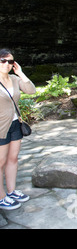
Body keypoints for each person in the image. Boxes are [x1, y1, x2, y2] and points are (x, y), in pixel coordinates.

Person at [0, 49, 36, 210]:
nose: (7, 64)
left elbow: (31, 90)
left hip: (15, 124)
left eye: (10, 61)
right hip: (1, 127)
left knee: (13, 159)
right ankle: (1, 197)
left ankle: (12, 191)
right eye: (3, 61)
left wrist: (20, 73)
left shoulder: (14, 79)